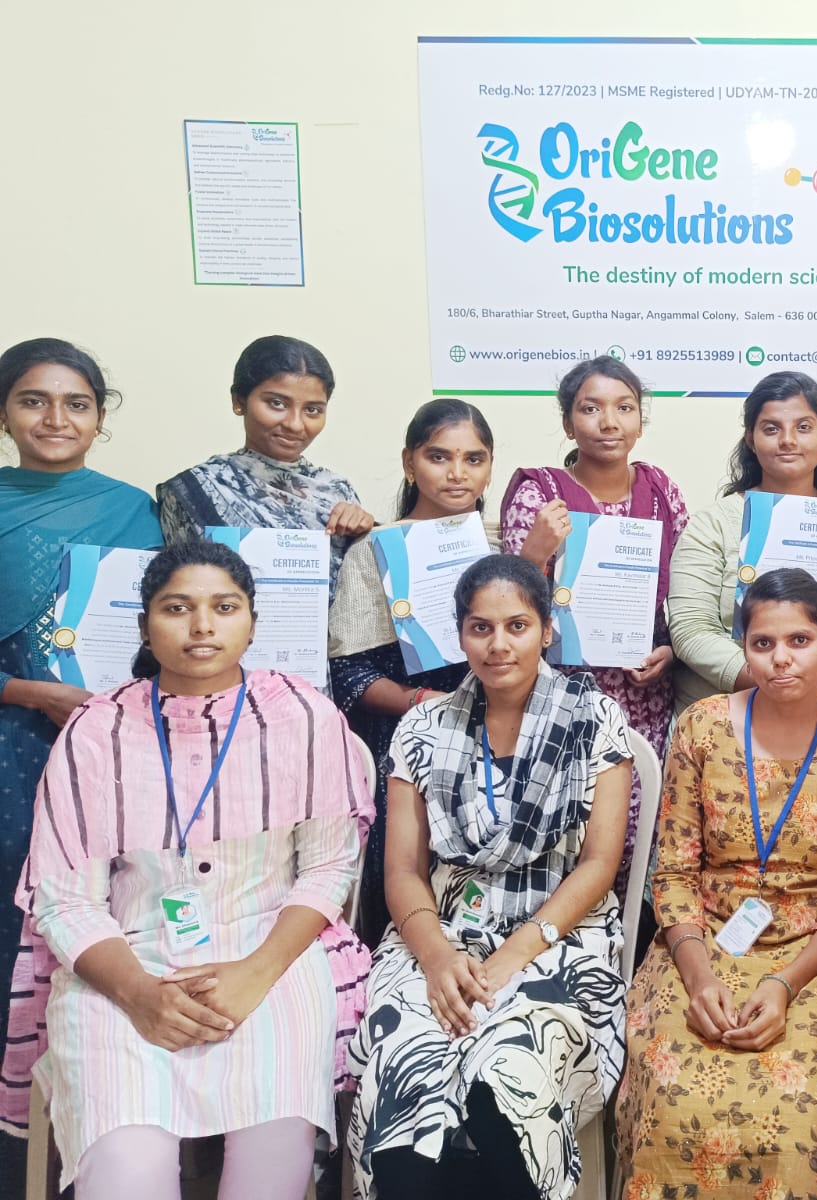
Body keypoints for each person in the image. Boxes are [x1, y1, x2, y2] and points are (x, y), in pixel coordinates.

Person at [2, 540, 372, 1197]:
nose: (202, 625)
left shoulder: (303, 715)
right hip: (126, 956)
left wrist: (254, 974)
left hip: (271, 949)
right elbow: (65, 899)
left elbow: (327, 867)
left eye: (224, 608)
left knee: (273, 1151)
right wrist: (140, 996)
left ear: (252, 623)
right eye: (177, 608)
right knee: (126, 1166)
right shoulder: (97, 730)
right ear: (145, 627)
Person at [348, 555, 632, 1200]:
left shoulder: (594, 719)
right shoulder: (424, 726)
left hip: (560, 936)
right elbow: (403, 870)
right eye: (481, 628)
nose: (498, 644)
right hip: (439, 933)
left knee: (510, 1071)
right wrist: (437, 959)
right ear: (460, 634)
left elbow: (598, 864)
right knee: (405, 1059)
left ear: (547, 629)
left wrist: (513, 956)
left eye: (517, 626)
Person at [617, 568, 817, 1197]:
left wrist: (784, 984)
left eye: (799, 641)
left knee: (797, 1116)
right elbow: (673, 873)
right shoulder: (701, 727)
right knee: (671, 1098)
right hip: (702, 941)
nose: (781, 659)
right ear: (744, 646)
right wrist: (699, 978)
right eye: (763, 643)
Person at [0, 338, 163, 1138]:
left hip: (108, 742)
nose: (55, 418)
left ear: (101, 417)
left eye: (77, 403)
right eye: (34, 400)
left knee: (98, 904)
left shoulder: (135, 508)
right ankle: (12, 1127)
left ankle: (91, 1108)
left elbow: (162, 630)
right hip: (9, 739)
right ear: (5, 414)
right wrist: (31, 692)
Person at [500, 356, 686, 894]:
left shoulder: (661, 491)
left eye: (624, 408)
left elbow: (686, 592)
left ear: (640, 422)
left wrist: (672, 649)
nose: (609, 422)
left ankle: (620, 935)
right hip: (558, 694)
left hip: (643, 692)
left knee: (635, 832)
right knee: (564, 833)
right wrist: (535, 553)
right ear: (568, 423)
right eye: (591, 409)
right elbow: (506, 606)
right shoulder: (539, 496)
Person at [329, 398, 497, 942]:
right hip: (402, 741)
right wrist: (425, 704)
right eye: (438, 457)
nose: (457, 473)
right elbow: (349, 675)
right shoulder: (375, 549)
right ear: (409, 463)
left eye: (474, 459)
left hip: (494, 739)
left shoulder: (501, 546)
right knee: (406, 889)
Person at [669, 370, 817, 712]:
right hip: (723, 719)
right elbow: (690, 630)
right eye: (771, 429)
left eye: (803, 427)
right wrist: (794, 683)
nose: (788, 440)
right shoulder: (713, 524)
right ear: (750, 439)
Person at [156, 335, 375, 591]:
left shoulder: (337, 490)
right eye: (277, 403)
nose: (295, 424)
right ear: (239, 401)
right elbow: (181, 590)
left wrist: (367, 533)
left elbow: (361, 588)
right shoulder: (195, 489)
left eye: (313, 410)